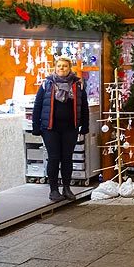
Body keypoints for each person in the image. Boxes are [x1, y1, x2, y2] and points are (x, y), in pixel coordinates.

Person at [32, 56, 89, 202]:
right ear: (55, 68)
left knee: (67, 158)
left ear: (70, 68)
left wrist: (85, 125)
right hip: (50, 128)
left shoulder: (78, 85)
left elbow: (84, 107)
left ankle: (67, 188)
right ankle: (53, 190)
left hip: (70, 128)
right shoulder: (47, 84)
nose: (61, 68)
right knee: (54, 157)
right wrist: (36, 127)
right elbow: (37, 106)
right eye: (59, 66)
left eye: (64, 66)